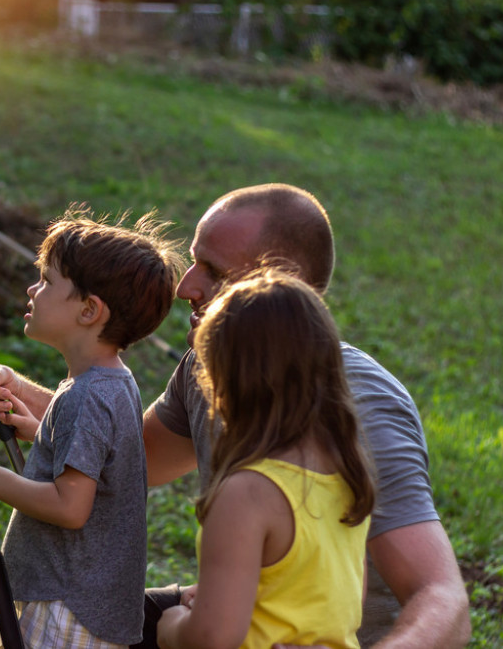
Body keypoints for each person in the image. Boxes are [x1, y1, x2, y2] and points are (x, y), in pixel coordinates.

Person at [0, 184, 471, 648]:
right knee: (85, 620)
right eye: (194, 261)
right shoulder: (208, 368)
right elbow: (136, 457)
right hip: (243, 614)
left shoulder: (360, 406)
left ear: (278, 288)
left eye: (216, 272)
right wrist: (21, 397)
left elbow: (442, 597)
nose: (186, 287)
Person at [0, 207, 184, 647]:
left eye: (47, 281)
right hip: (90, 604)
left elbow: (70, 507)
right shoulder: (115, 382)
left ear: (90, 310)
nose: (32, 289)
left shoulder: (86, 394)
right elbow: (104, 467)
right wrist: (42, 434)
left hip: (65, 607)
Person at [155, 268, 376, 649]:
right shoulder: (346, 475)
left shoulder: (246, 493)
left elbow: (211, 638)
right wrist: (217, 595)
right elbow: (327, 599)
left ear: (227, 383)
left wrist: (172, 625)